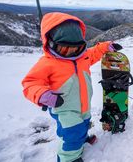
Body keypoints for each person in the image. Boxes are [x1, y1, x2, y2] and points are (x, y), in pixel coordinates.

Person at [22, 12, 122, 162]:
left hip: (83, 105)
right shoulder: (48, 63)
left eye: (76, 48)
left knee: (83, 124)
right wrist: (43, 95)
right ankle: (68, 158)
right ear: (50, 43)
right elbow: (30, 83)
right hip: (64, 108)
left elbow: (95, 52)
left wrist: (107, 46)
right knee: (71, 133)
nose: (71, 53)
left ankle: (81, 139)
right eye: (64, 49)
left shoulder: (83, 57)